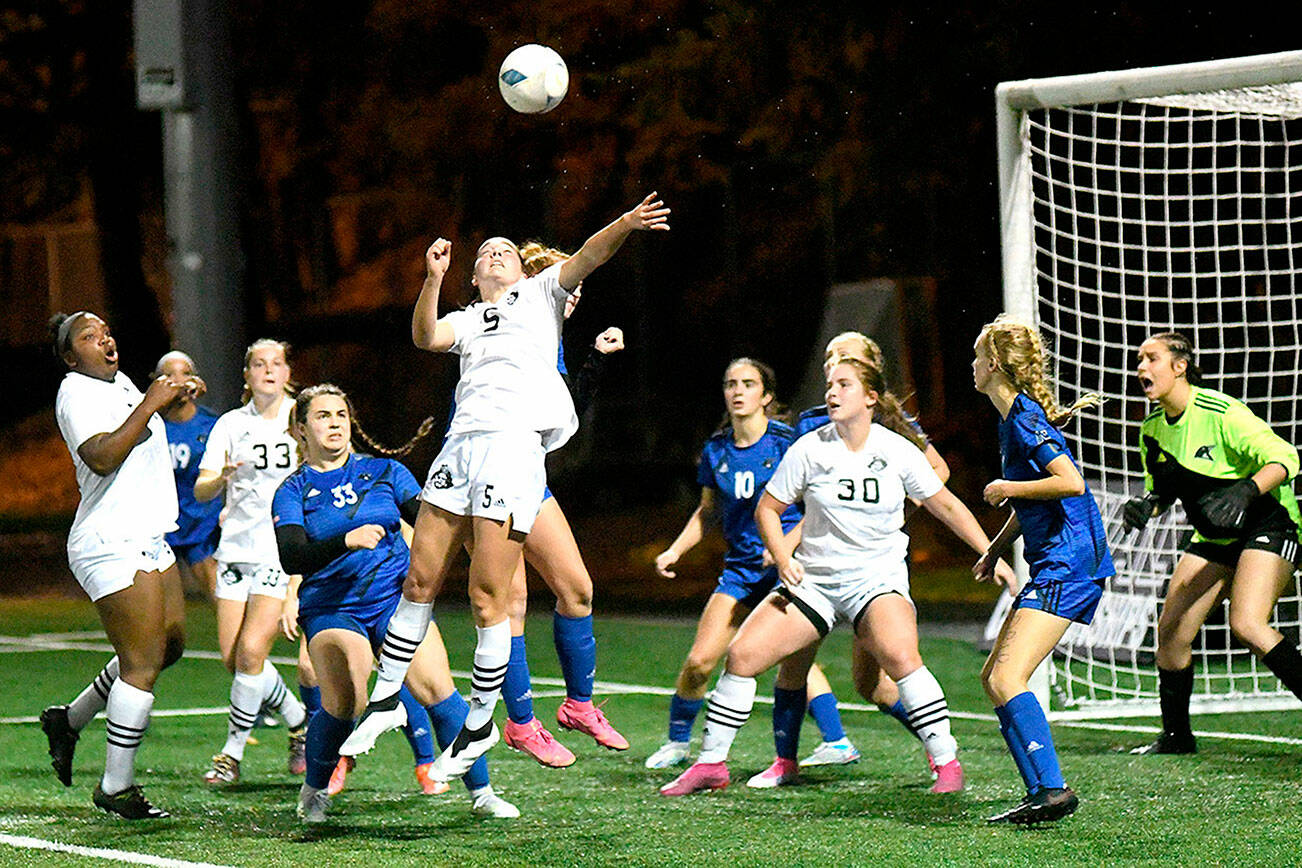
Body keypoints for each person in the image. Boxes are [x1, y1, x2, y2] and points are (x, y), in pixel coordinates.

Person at [344, 193, 670, 783]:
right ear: (472, 276)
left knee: (492, 596)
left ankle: (487, 720)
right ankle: (387, 699)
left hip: (512, 451)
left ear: (526, 271)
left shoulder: (542, 295)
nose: (495, 254)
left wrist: (624, 222)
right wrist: (431, 279)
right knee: (419, 579)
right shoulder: (469, 318)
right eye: (485, 253)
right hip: (460, 447)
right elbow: (424, 336)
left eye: (506, 252)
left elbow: (589, 257)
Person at [660, 357, 1014, 796]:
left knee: (901, 659)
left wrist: (991, 551)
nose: (831, 393)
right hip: (817, 582)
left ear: (869, 397)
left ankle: (946, 762)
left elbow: (945, 505)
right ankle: (712, 764)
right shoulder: (810, 448)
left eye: (843, 385)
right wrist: (782, 556)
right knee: (742, 656)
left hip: (875, 580)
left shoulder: (896, 448)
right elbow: (767, 510)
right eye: (829, 385)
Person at [274, 384, 517, 822]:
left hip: (393, 600)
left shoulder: (386, 472)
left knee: (440, 691)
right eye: (322, 416)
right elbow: (291, 555)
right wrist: (345, 540)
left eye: (341, 415)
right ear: (300, 429)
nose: (334, 423)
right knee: (345, 699)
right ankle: (314, 791)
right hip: (331, 606)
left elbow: (431, 522)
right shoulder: (293, 490)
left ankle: (482, 793)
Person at [645, 358, 857, 778]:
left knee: (793, 661)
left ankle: (836, 741)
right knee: (700, 661)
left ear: (767, 396)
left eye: (747, 384)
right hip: (740, 572)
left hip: (788, 569)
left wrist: (783, 548)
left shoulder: (786, 442)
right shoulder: (717, 449)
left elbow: (814, 503)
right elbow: (708, 513)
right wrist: (674, 551)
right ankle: (677, 742)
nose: (737, 391)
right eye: (730, 384)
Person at [40, 311, 197, 818]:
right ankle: (116, 787)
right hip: (109, 539)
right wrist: (151, 402)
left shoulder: (121, 383)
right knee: (142, 662)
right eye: (89, 337)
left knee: (168, 646)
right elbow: (102, 457)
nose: (104, 338)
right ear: (70, 357)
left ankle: (70, 719)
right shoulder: (75, 392)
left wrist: (171, 401)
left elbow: (143, 437)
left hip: (147, 533)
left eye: (106, 331)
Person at [1122, 332, 1302, 755]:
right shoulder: (1151, 430)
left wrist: (1246, 491)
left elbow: (1286, 457)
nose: (1141, 369)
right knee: (1170, 633)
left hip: (1269, 525)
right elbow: (1162, 491)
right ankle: (1176, 737)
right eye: (1138, 360)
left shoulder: (1220, 411)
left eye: (1151, 359)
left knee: (1247, 624)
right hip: (1214, 536)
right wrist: (1145, 507)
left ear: (1179, 366)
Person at [785, 331, 953, 774]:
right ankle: (796, 755)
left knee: (876, 680)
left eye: (845, 357)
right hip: (820, 564)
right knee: (823, 671)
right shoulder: (812, 422)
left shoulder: (889, 420)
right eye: (828, 356)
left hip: (869, 568)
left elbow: (938, 468)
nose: (833, 363)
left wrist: (896, 506)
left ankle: (940, 747)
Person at [971, 315, 1113, 825]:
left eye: (976, 356)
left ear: (991, 365)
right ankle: (1040, 792)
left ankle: (1053, 790)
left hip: (1070, 562)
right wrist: (994, 548)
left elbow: (1070, 482)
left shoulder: (1025, 418)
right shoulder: (1013, 420)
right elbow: (1032, 504)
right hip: (1058, 561)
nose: (971, 365)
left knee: (1009, 675)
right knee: (995, 678)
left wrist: (1008, 487)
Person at [194, 338, 309, 784]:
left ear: (286, 371)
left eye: (275, 363)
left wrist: (299, 579)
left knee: (251, 652)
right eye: (258, 364)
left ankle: (230, 755)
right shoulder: (229, 424)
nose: (267, 371)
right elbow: (203, 487)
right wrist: (217, 478)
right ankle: (299, 722)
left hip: (277, 552)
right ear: (247, 375)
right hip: (235, 550)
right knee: (234, 658)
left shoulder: (301, 418)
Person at [154, 351, 223, 599]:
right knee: (164, 613)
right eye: (169, 375)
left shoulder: (212, 425)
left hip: (201, 525)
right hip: (161, 528)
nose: (179, 381)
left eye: (185, 374)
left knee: (220, 595)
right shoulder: (148, 424)